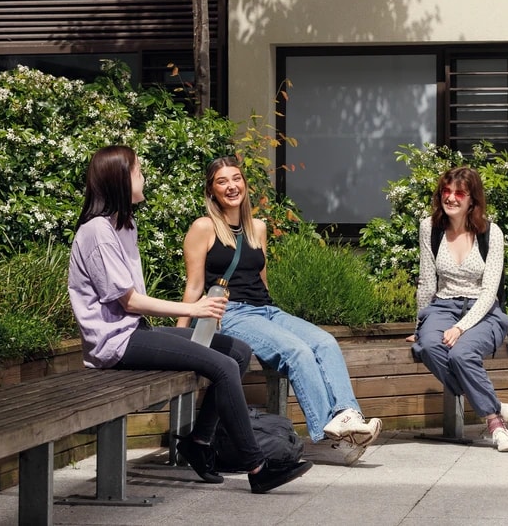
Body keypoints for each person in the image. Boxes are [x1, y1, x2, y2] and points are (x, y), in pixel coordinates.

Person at [67, 145, 312, 493]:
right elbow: (130, 301)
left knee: (237, 351)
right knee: (224, 366)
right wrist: (194, 310)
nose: (143, 177)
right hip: (115, 344)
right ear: (121, 179)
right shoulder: (97, 232)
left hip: (135, 333)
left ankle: (198, 442)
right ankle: (257, 468)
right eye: (138, 171)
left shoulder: (123, 226)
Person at [178, 156, 382, 464]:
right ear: (212, 190)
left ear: (244, 183)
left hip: (266, 310)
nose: (231, 186)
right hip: (230, 313)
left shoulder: (256, 228)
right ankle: (334, 437)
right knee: (296, 351)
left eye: (236, 179)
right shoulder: (203, 227)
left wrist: (277, 317)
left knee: (324, 341)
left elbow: (262, 281)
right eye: (222, 181)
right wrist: (180, 336)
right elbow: (194, 287)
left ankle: (347, 417)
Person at [408, 166, 508, 452]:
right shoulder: (429, 228)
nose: (451, 198)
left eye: (459, 193)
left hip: (484, 313)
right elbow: (427, 282)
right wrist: (419, 328)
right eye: (446, 191)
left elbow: (488, 292)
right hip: (442, 307)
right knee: (429, 346)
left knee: (461, 353)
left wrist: (461, 327)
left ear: (472, 200)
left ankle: (495, 423)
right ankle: (491, 403)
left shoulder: (491, 233)